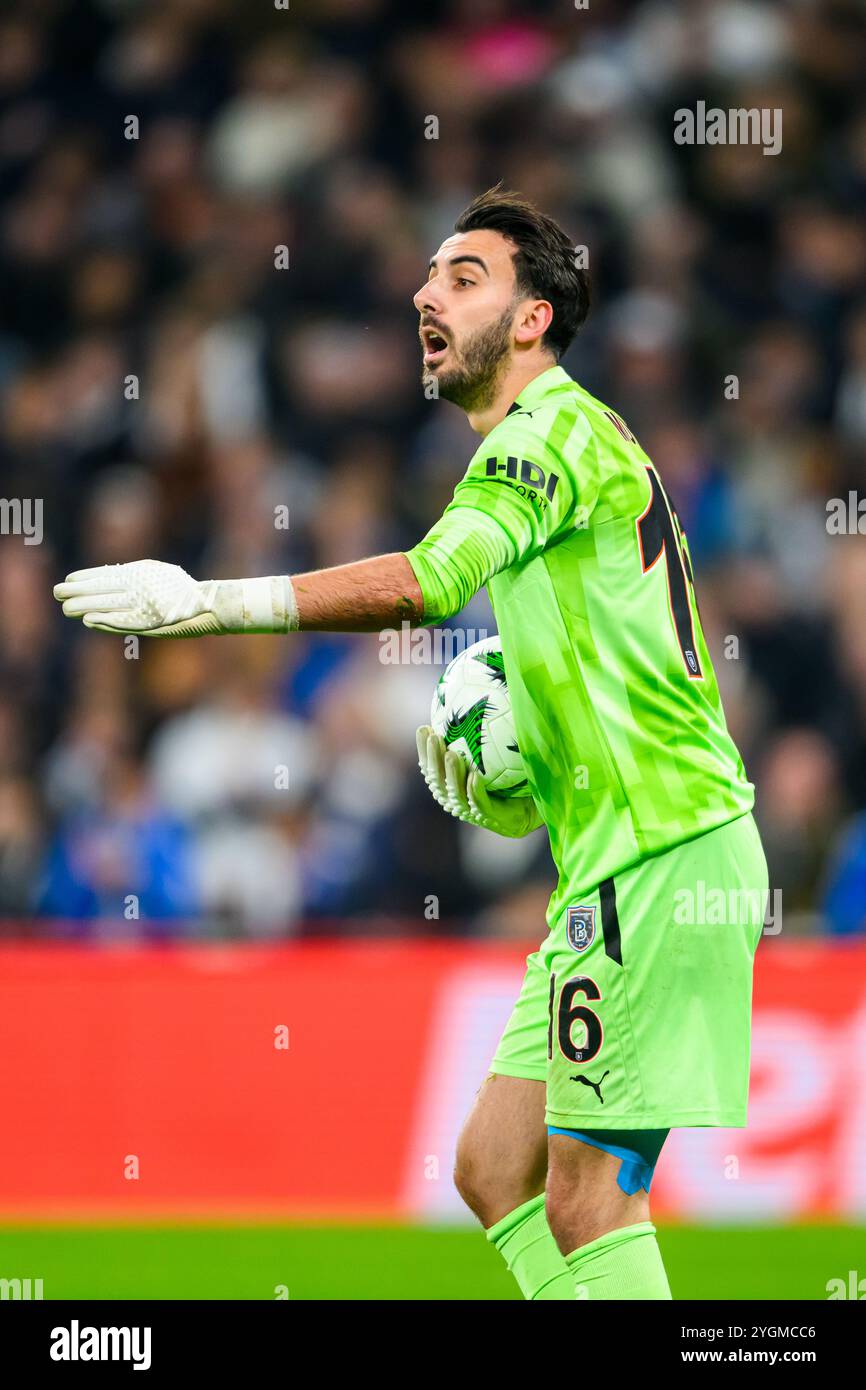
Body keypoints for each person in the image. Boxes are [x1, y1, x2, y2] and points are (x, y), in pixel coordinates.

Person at [54, 185, 768, 1301]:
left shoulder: (551, 429)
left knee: (589, 1199)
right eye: (427, 275)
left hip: (664, 854)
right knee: (491, 1169)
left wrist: (207, 601)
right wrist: (515, 764)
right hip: (614, 861)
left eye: (462, 277)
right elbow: (600, 683)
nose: (425, 294)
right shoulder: (561, 449)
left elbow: (426, 583)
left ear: (531, 318)